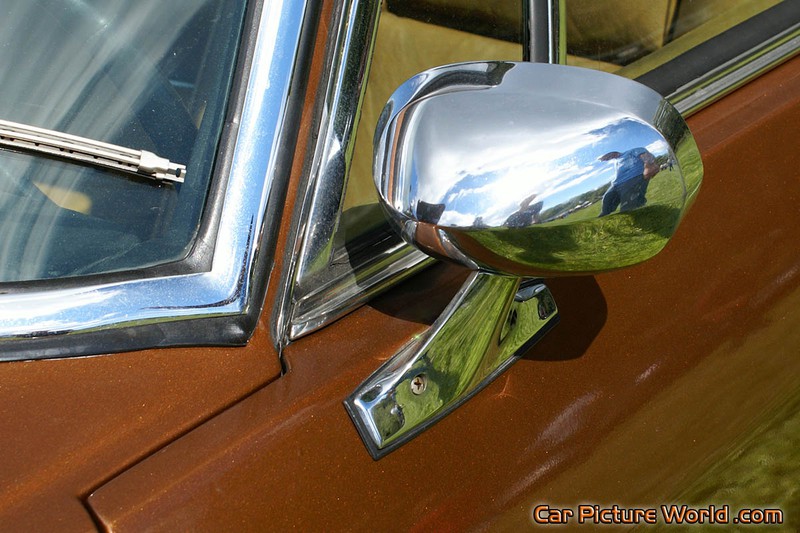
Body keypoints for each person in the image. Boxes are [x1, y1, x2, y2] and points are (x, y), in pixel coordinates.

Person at [598, 147, 658, 217]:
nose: (607, 158)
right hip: (616, 184)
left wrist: (649, 166)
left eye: (607, 156)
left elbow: (644, 154)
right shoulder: (617, 161)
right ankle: (603, 215)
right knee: (607, 200)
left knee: (629, 207)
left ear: (613, 152)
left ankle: (641, 217)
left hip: (632, 179)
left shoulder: (630, 152)